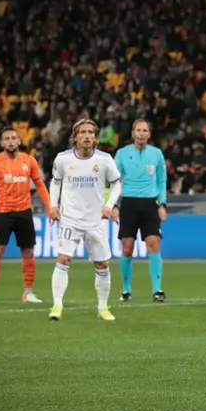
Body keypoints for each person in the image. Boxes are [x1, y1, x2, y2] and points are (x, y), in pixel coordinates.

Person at [48, 119, 122, 322]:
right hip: (70, 219)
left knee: (102, 264)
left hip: (95, 221)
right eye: (83, 132)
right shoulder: (63, 159)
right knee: (63, 259)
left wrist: (110, 205)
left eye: (91, 132)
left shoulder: (105, 159)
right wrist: (53, 206)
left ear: (95, 137)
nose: (88, 135)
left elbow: (116, 184)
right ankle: (57, 305)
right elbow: (55, 183)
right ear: (75, 137)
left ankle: (103, 307)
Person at [0, 126, 51, 304]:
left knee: (28, 252)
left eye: (13, 138)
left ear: (19, 141)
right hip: (3, 213)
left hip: (24, 212)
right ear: (2, 143)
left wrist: (49, 206)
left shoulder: (29, 160)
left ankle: (28, 293)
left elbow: (39, 185)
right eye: (6, 138)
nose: (10, 141)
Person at [112, 120, 168, 302]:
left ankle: (157, 290)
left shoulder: (157, 154)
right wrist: (113, 205)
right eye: (139, 130)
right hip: (128, 203)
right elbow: (113, 182)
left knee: (154, 244)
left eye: (145, 130)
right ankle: (126, 290)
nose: (142, 134)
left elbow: (161, 181)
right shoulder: (122, 154)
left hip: (150, 204)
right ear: (133, 133)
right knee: (127, 248)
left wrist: (162, 204)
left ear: (149, 134)